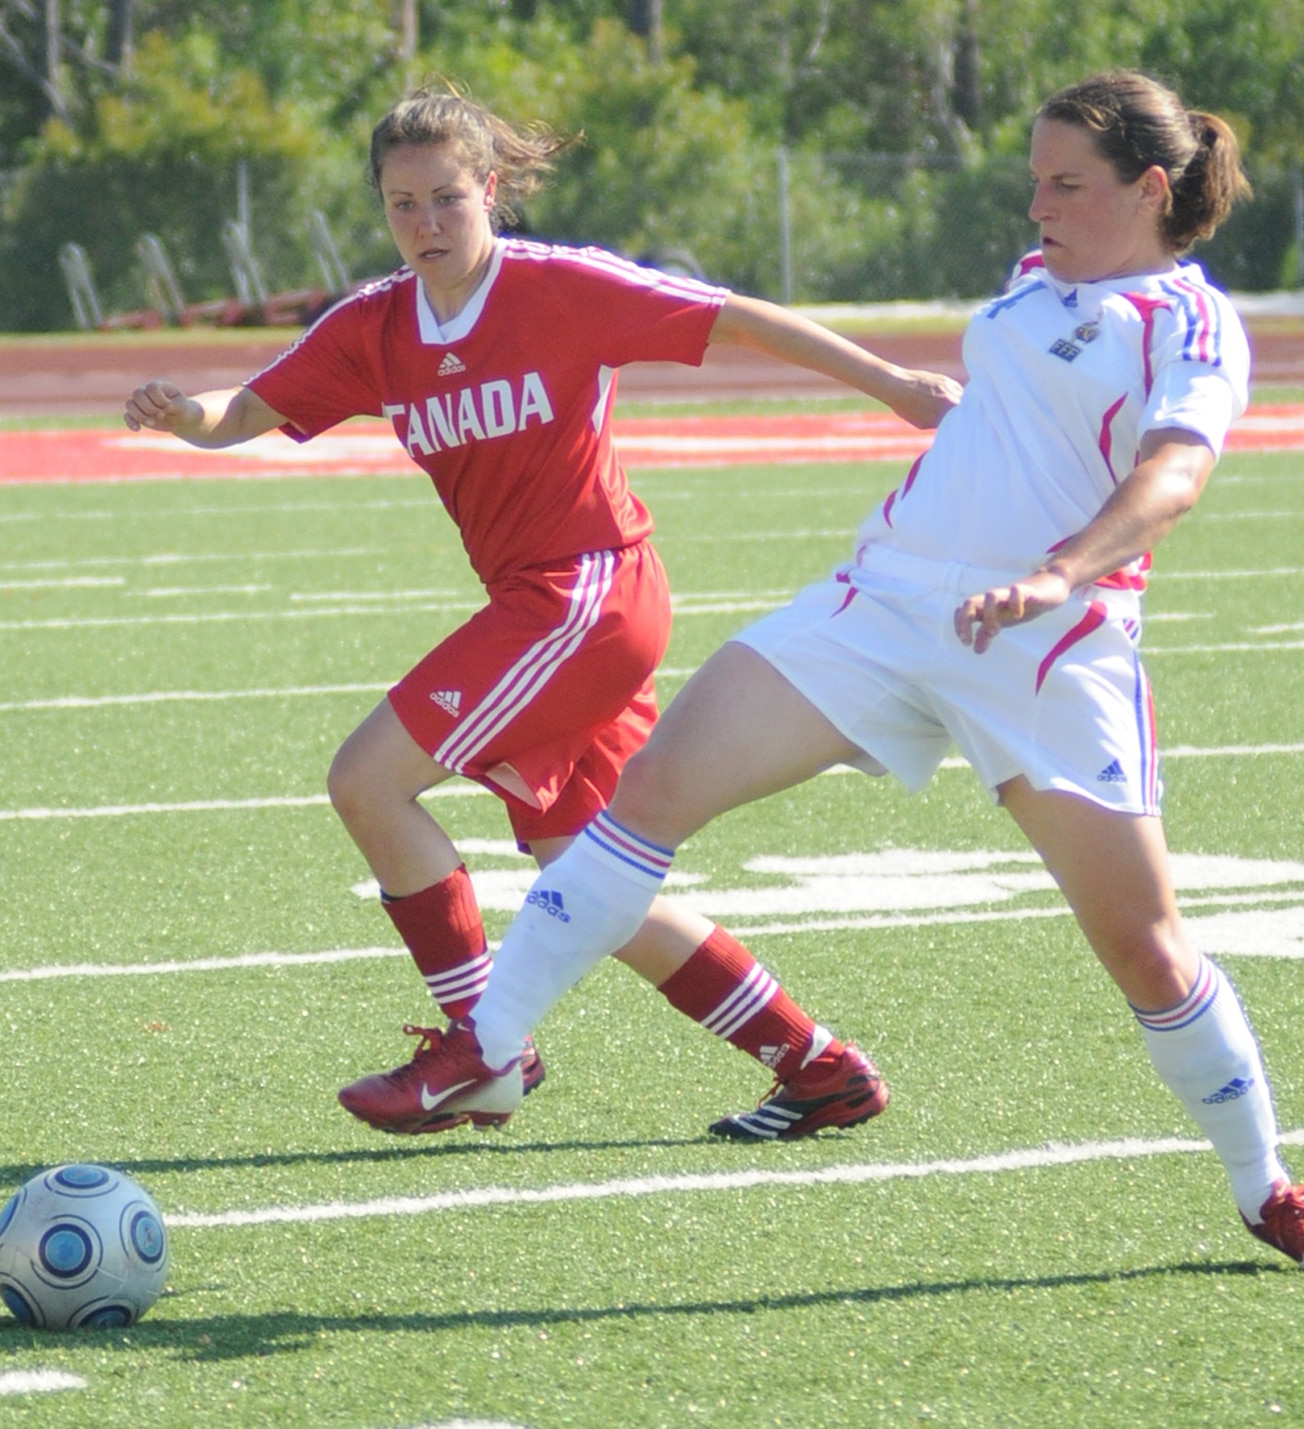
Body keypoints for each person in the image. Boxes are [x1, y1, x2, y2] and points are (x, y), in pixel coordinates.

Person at [346, 71, 1304, 1271]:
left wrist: (1062, 572)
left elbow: (1172, 473)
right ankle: (489, 1043)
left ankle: (1262, 1186)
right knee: (641, 801)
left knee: (1145, 948)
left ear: (1150, 190)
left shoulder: (1188, 321)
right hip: (881, 605)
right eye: (1032, 179)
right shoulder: (1033, 282)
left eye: (1064, 183)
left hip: (1048, 643)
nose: (1035, 203)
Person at [123, 88, 959, 1140]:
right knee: (586, 879)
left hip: (587, 595)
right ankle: (818, 1065)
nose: (425, 225)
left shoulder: (557, 287)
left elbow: (728, 314)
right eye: (401, 205)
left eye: (446, 199)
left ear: (493, 190)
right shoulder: (375, 327)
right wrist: (181, 413)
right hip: (550, 608)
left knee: (367, 781)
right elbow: (245, 411)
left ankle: (486, 1046)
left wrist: (888, 383)